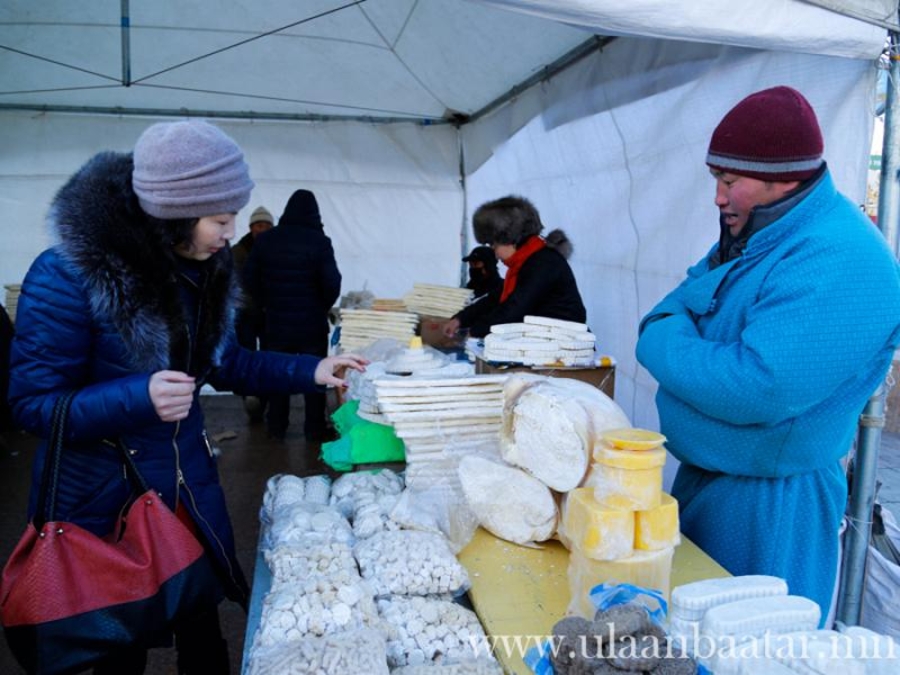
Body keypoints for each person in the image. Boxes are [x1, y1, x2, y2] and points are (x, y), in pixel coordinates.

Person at [6, 119, 367, 674]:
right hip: (105, 502)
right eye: (222, 220)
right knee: (120, 639)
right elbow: (33, 404)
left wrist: (314, 369)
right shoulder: (68, 275)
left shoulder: (201, 267)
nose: (231, 233)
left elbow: (228, 362)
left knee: (203, 629)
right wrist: (138, 397)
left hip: (183, 491)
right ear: (176, 213)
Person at [635, 86, 900, 620]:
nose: (718, 197)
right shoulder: (763, 230)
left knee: (755, 647)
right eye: (717, 179)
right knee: (692, 636)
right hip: (713, 481)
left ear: (786, 178)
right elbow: (668, 310)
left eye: (729, 181)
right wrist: (680, 352)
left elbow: (757, 388)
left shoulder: (843, 256)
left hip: (776, 507)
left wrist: (668, 348)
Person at [243, 189, 342, 444]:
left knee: (277, 374)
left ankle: (276, 428)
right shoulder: (319, 241)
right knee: (315, 373)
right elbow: (332, 283)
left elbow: (249, 279)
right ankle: (314, 429)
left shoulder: (266, 240)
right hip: (311, 324)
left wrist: (267, 303)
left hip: (275, 322)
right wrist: (320, 306)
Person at [443, 195, 586, 338]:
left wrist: (475, 331)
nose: (495, 254)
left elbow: (515, 307)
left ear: (509, 238)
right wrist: (460, 319)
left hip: (566, 347)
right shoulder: (525, 263)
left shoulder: (543, 263)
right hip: (546, 343)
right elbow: (494, 299)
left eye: (494, 245)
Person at [231, 205, 275, 422]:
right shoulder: (238, 251)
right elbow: (234, 284)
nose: (263, 229)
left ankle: (262, 400)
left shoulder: (278, 250)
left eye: (267, 225)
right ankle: (250, 398)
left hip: (268, 313)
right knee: (246, 357)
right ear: (251, 227)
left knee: (267, 357)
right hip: (246, 313)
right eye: (259, 225)